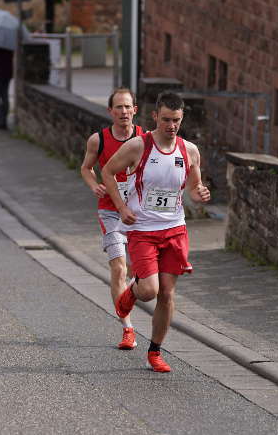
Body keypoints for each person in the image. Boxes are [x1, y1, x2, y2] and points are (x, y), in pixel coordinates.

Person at [102, 91, 211, 373]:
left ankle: (155, 351)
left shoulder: (189, 150)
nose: (171, 126)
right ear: (154, 117)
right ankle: (130, 294)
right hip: (142, 229)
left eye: (175, 120)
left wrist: (199, 194)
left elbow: (194, 185)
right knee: (149, 290)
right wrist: (121, 207)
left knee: (167, 295)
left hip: (175, 230)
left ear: (182, 117)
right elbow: (108, 171)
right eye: (165, 120)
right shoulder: (139, 146)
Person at [80, 88, 143, 350]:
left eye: (127, 107)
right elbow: (86, 168)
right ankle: (128, 329)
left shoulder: (144, 138)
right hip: (110, 213)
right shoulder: (99, 140)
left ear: (135, 110)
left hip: (140, 213)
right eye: (118, 107)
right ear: (110, 112)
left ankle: (130, 293)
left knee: (144, 273)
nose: (123, 112)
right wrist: (93, 184)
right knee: (119, 268)